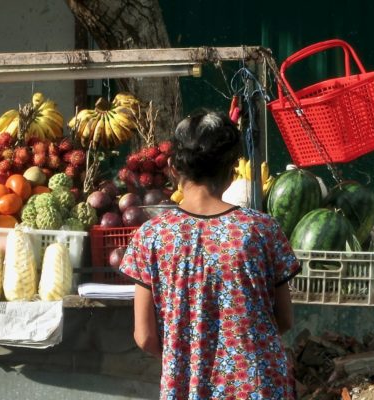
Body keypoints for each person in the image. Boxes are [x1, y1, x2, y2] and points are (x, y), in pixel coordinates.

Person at [119, 111, 301, 399]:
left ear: (172, 168)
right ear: (232, 170)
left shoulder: (151, 237)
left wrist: (185, 357)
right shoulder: (261, 230)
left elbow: (144, 337)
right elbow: (285, 320)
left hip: (188, 386)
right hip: (259, 386)